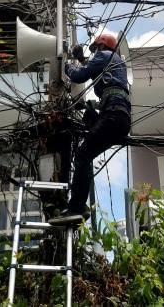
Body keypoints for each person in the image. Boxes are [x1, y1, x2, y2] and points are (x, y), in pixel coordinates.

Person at [49, 34, 131, 225]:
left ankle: (75, 209)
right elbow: (95, 72)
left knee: (82, 155)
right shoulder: (112, 61)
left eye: (95, 50)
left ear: (101, 47)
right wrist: (80, 59)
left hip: (112, 115)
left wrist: (65, 66)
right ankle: (78, 205)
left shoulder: (105, 56)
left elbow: (79, 76)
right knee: (87, 114)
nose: (93, 53)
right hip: (119, 118)